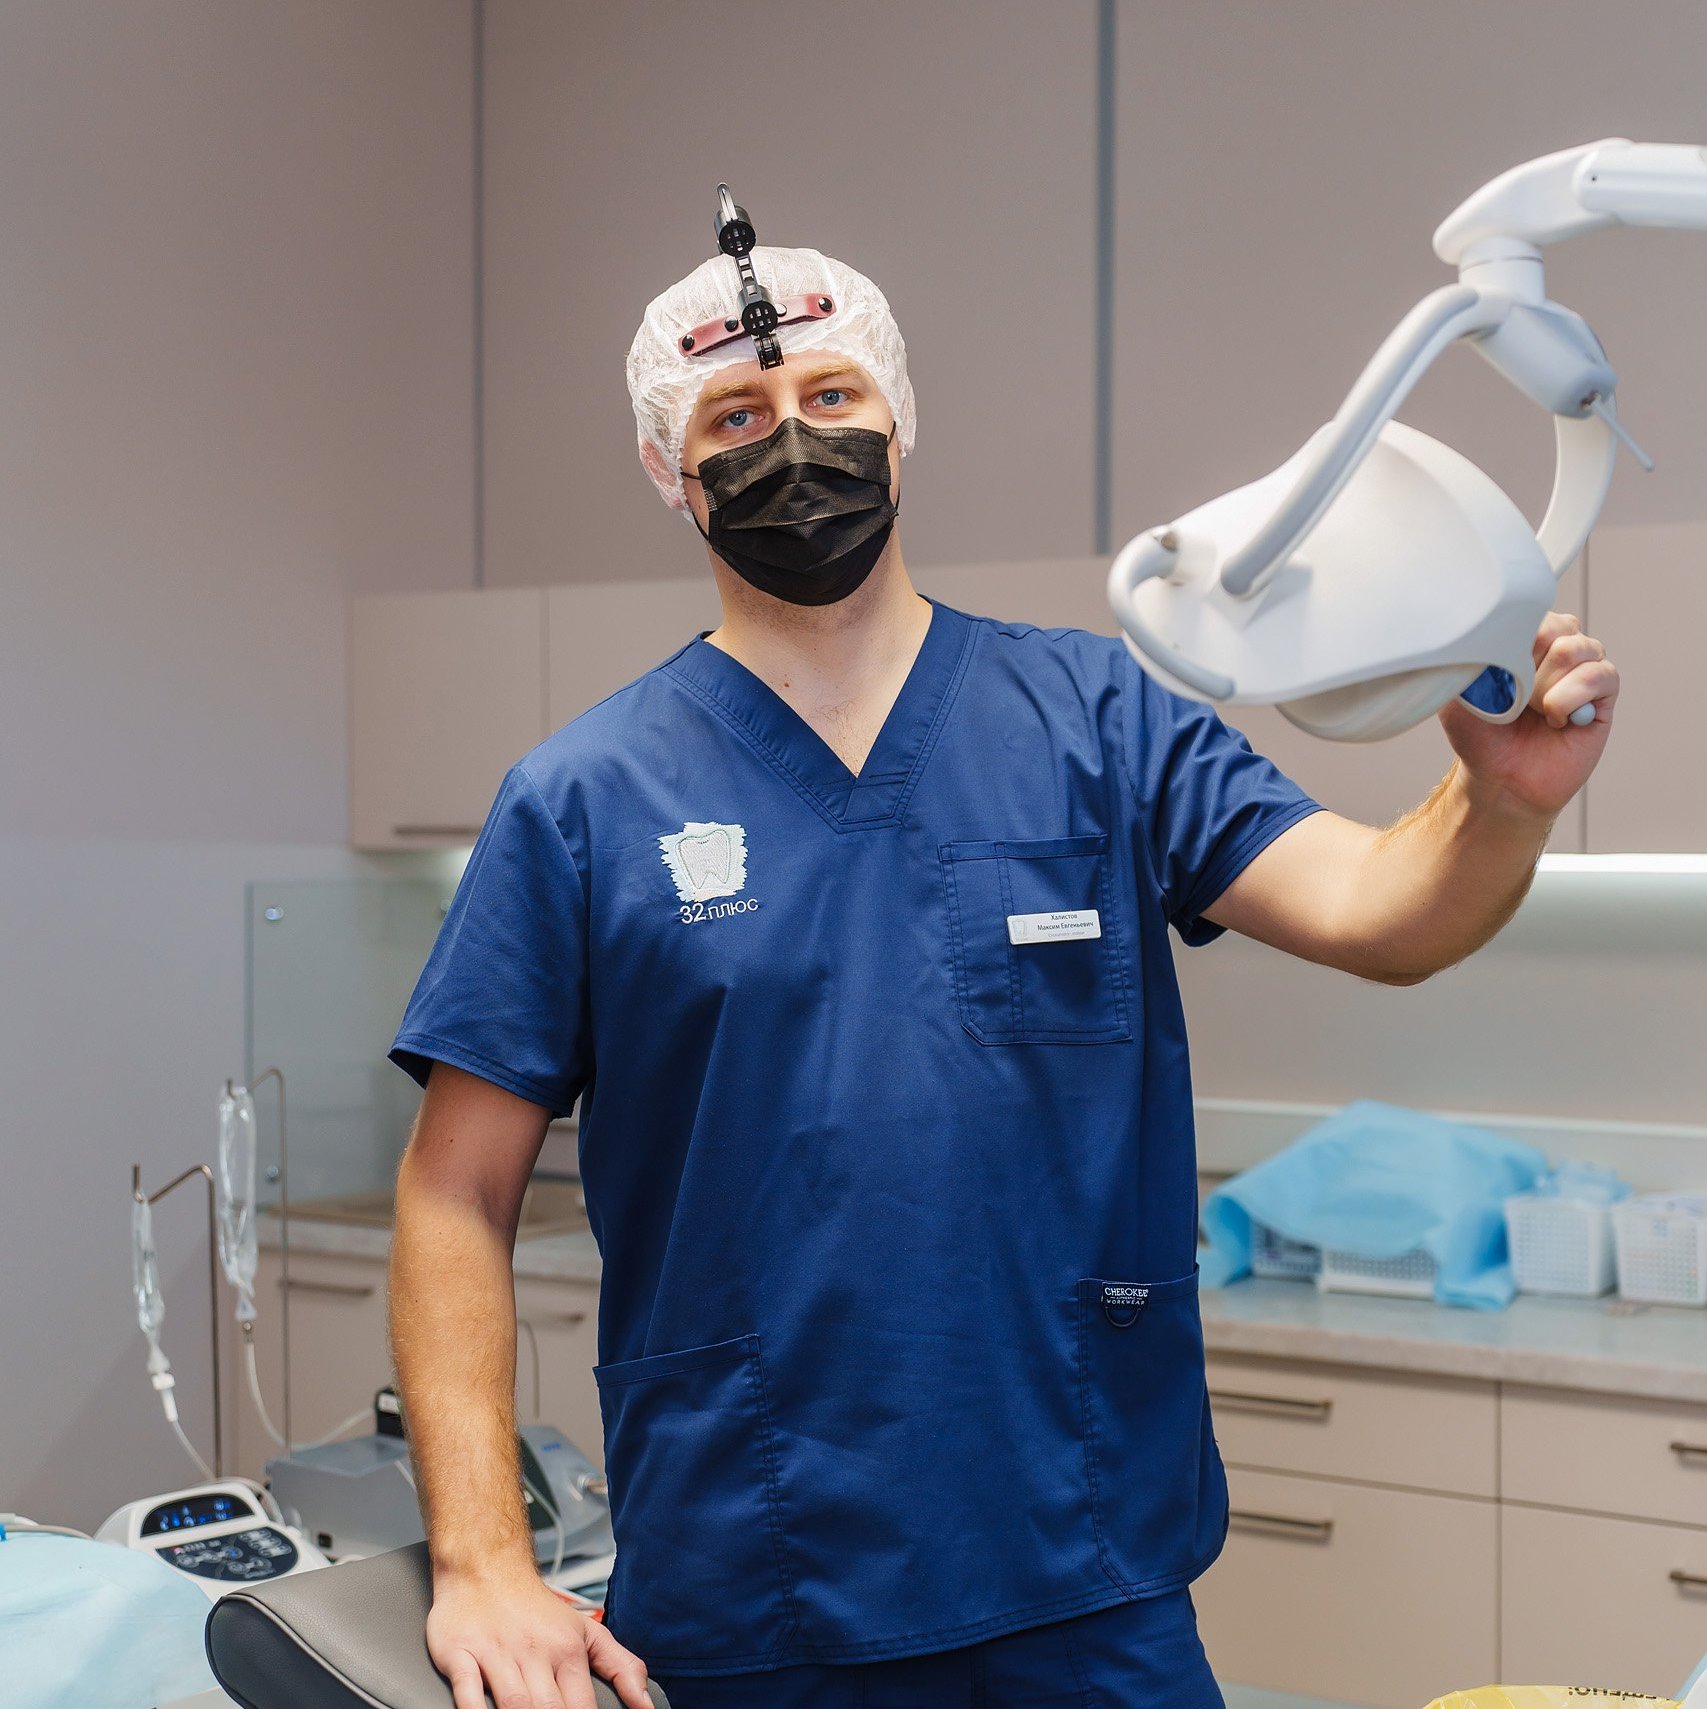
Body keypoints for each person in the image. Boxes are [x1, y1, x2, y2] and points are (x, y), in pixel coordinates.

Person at [385, 236, 1619, 1709]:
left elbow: (1380, 912)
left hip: (1085, 1572)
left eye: (832, 394)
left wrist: (1501, 804)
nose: (794, 441)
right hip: (756, 1591)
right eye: (736, 416)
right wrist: (483, 1556)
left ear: (899, 421)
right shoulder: (584, 800)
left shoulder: (1098, 719)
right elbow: (455, 1193)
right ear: (672, 469)